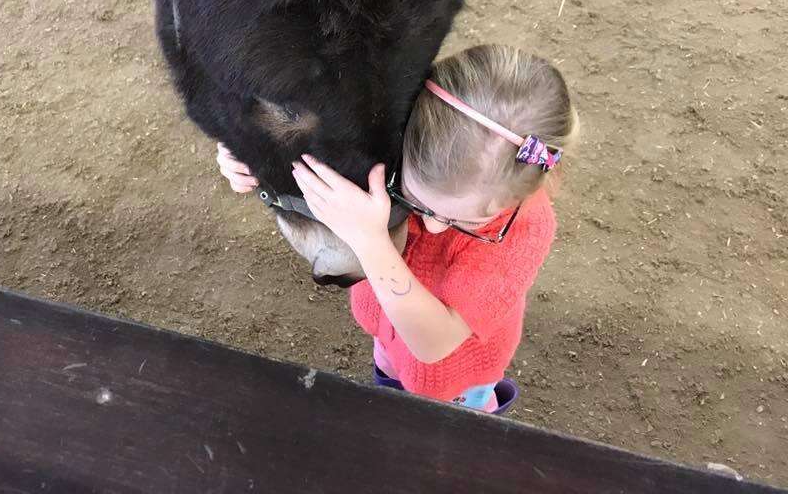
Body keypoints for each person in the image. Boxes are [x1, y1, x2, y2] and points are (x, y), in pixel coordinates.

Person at [216, 44, 578, 412]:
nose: (435, 227)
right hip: (388, 334)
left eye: (464, 222)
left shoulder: (525, 231)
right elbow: (302, 150)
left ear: (525, 190)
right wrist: (251, 161)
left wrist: (370, 241)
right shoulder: (399, 150)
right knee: (390, 379)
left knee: (442, 438)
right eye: (415, 202)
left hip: (455, 381)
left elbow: (434, 344)